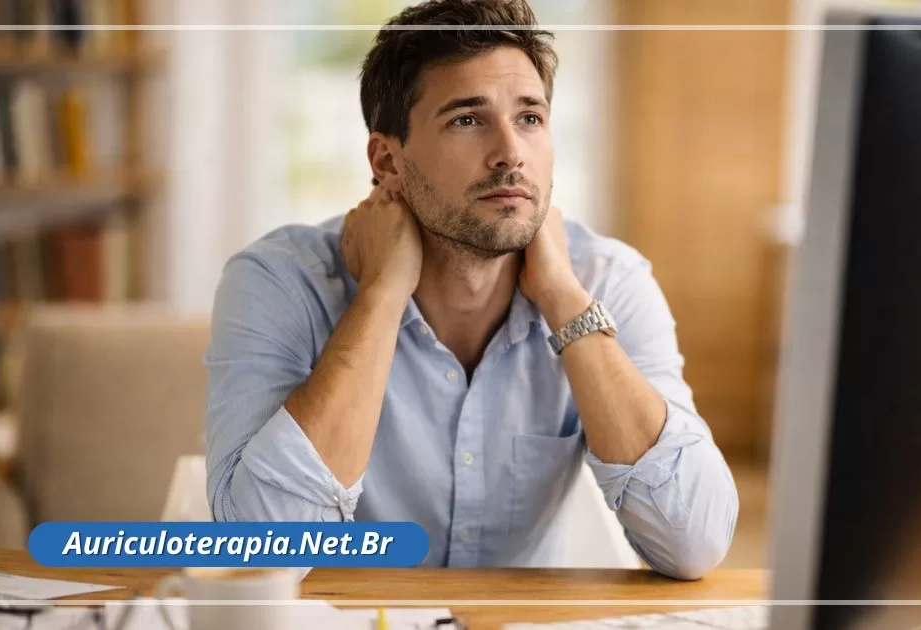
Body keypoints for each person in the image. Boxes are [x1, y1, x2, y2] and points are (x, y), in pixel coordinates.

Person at [204, 0, 738, 580]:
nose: (511, 152)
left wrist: (562, 298)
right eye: (467, 119)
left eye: (530, 118)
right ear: (388, 161)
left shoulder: (608, 280)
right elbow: (257, 556)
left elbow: (696, 542)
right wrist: (382, 294)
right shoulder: (280, 281)